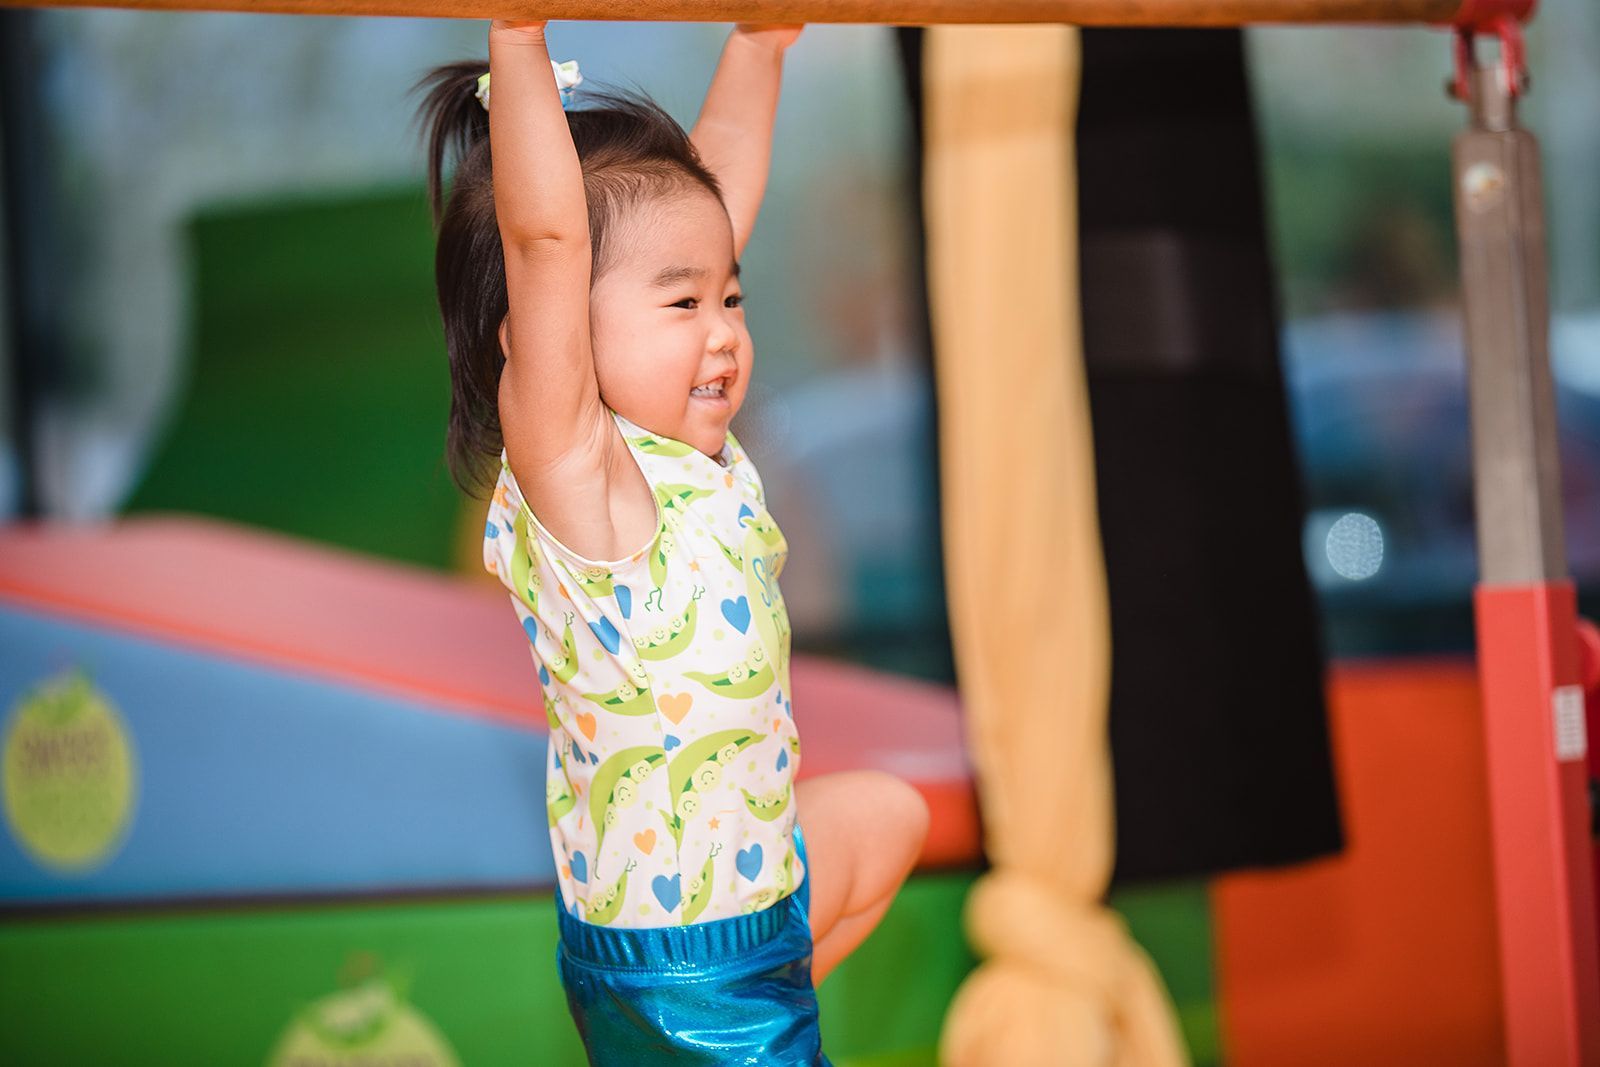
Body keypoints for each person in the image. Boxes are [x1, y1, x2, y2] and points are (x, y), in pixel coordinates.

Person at [412, 20, 929, 1064]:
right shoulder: (583, 486)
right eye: (685, 302)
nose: (724, 327)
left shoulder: (689, 456)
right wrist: (517, 39)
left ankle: (756, 1015)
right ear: (551, 337)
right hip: (677, 952)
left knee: (889, 814)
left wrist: (762, 45)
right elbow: (548, 243)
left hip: (753, 900)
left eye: (730, 296)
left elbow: (715, 191)